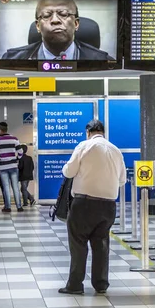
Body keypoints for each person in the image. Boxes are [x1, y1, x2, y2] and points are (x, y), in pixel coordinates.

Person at [59, 120, 126, 295]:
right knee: (101, 244)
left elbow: (69, 172)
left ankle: (75, 285)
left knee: (78, 244)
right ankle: (101, 284)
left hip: (84, 204)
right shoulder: (116, 150)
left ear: (88, 132)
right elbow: (122, 180)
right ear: (102, 132)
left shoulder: (84, 146)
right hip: (108, 205)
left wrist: (66, 167)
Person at [1, 0, 114, 61]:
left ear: (76, 23)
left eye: (63, 14)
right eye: (47, 15)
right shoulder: (11, 59)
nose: (55, 20)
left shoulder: (104, 61)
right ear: (38, 26)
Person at [0, 123, 24, 213]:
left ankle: (8, 206)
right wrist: (17, 158)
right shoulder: (14, 139)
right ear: (6, 129)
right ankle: (19, 206)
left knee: (6, 187)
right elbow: (20, 152)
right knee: (15, 186)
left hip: (2, 167)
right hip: (13, 165)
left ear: (0, 130)